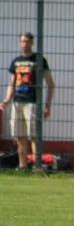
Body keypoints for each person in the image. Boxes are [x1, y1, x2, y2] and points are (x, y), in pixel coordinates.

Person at [0, 32, 55, 170]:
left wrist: (48, 105)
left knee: (33, 135)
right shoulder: (16, 61)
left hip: (32, 102)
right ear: (19, 43)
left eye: (27, 41)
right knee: (19, 136)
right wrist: (7, 99)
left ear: (32, 43)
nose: (25, 44)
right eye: (22, 41)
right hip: (17, 101)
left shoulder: (39, 59)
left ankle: (37, 165)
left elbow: (50, 83)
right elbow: (11, 84)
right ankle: (22, 165)